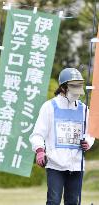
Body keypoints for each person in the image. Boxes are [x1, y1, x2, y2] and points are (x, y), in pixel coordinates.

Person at [29, 67, 95, 205]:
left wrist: (88, 142)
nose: (77, 90)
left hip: (77, 165)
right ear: (63, 87)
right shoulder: (49, 107)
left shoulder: (84, 109)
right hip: (55, 165)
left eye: (79, 85)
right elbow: (37, 134)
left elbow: (91, 132)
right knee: (53, 201)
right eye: (73, 86)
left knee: (73, 201)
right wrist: (40, 150)